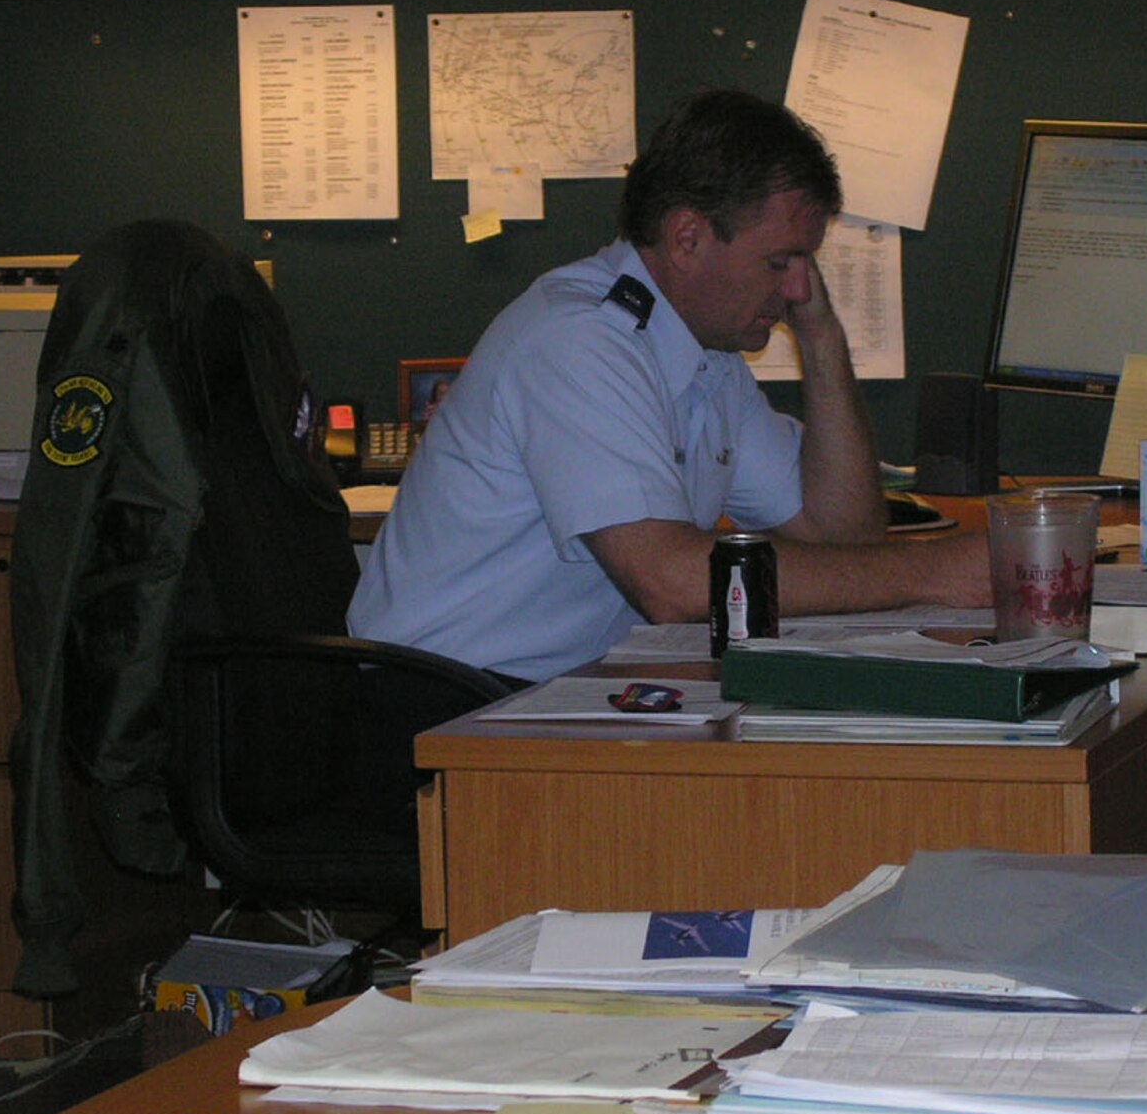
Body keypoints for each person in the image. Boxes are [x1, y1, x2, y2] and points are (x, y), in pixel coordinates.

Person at [349, 87, 990, 681]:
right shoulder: (579, 341)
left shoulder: (707, 361)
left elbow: (845, 542)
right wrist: (936, 571)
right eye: (781, 261)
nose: (798, 288)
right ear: (687, 238)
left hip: (551, 688)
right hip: (439, 703)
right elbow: (672, 583)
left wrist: (821, 340)